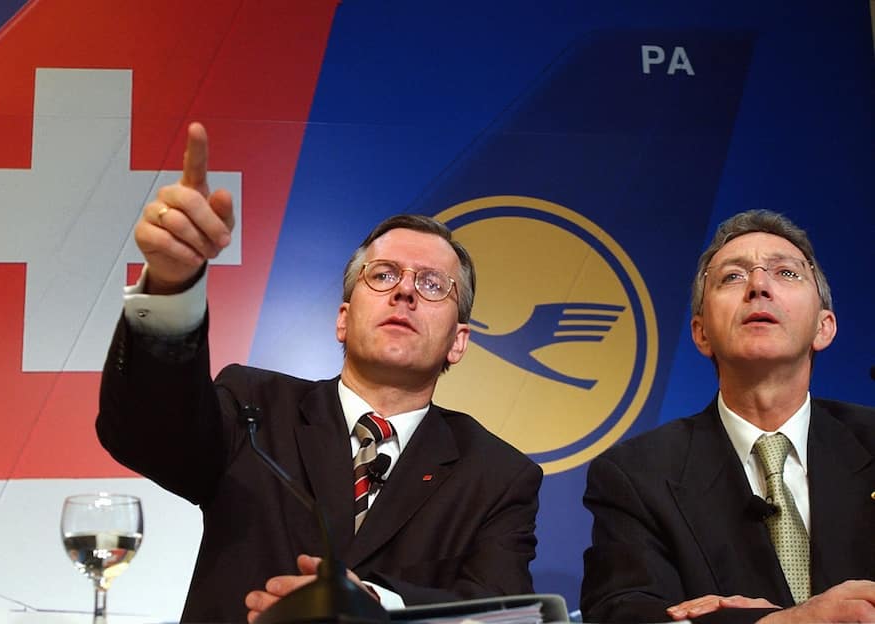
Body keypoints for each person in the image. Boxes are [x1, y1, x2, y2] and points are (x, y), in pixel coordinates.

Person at [96, 122, 542, 623]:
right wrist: (171, 286)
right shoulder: (255, 407)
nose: (405, 292)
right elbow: (143, 431)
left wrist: (376, 604)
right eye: (384, 275)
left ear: (458, 342)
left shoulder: (497, 475)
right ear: (343, 319)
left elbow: (503, 613)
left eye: (434, 284)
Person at [580, 209, 875, 623]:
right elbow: (622, 613)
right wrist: (782, 622)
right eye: (732, 277)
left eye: (786, 273)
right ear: (701, 333)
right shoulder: (636, 474)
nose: (758, 286)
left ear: (824, 328)